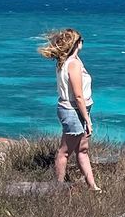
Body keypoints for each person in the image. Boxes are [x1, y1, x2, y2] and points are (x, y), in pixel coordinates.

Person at [39, 27, 98, 189]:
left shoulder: (69, 61)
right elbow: (78, 95)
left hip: (79, 109)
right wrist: (87, 119)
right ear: (76, 44)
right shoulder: (72, 64)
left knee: (83, 149)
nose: (82, 43)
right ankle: (57, 186)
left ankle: (92, 186)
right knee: (65, 151)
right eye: (81, 41)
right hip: (74, 110)